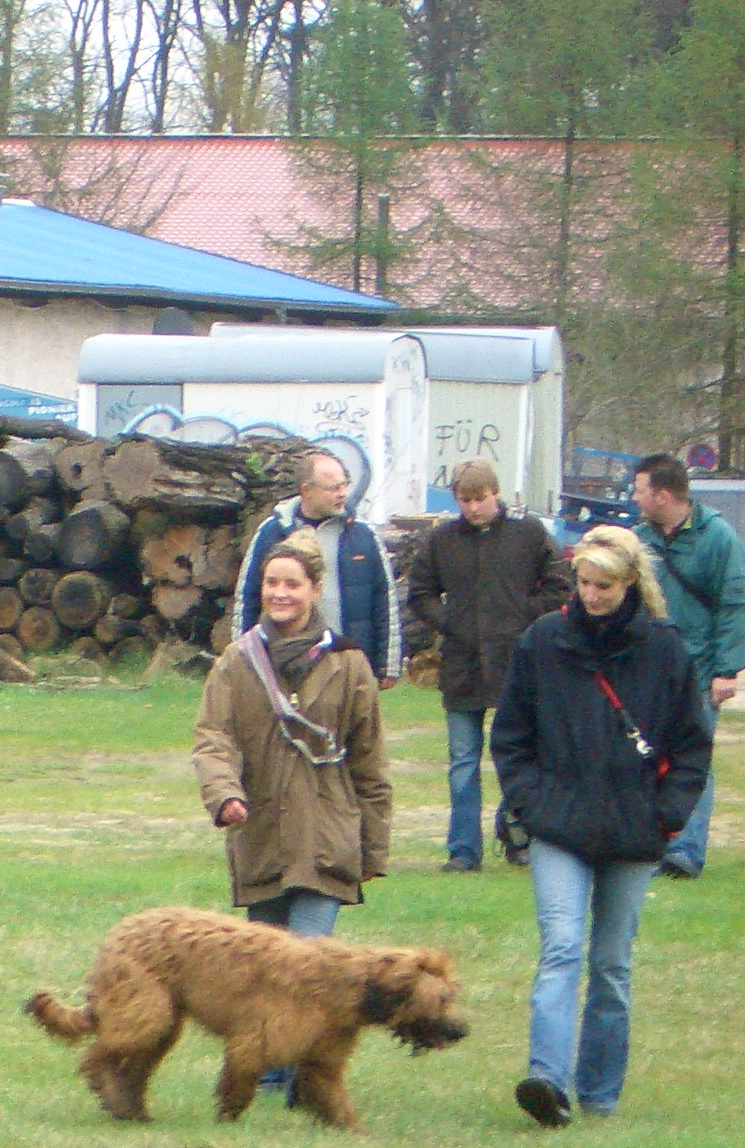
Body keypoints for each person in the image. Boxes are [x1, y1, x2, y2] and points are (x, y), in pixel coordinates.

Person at [492, 526, 712, 1124]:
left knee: (611, 966)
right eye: (584, 583)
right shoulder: (544, 640)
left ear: (631, 582)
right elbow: (511, 734)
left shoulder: (665, 650)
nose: (590, 595)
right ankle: (547, 1078)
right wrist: (531, 804)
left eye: (604, 586)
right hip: (559, 826)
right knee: (562, 948)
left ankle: (600, 1094)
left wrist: (666, 815)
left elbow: (692, 746)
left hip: (633, 830)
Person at [194, 536, 392, 1092]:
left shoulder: (349, 663)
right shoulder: (237, 661)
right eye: (272, 583)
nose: (280, 593)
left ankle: (303, 1082)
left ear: (315, 590)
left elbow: (370, 760)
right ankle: (265, 1075)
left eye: (292, 584)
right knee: (264, 970)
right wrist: (224, 795)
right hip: (259, 832)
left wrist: (373, 849)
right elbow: (212, 738)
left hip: (328, 834)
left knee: (307, 967)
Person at [403, 457, 569, 870]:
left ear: (496, 493)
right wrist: (450, 622)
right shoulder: (441, 540)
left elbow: (560, 585)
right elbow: (420, 593)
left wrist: (523, 617)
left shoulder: (529, 534)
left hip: (518, 664)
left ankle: (517, 836)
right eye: (465, 500)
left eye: (480, 498)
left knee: (518, 757)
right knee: (463, 762)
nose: (473, 507)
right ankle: (463, 850)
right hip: (462, 665)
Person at [629, 453, 744, 878]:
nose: (634, 498)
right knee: (645, 757)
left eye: (639, 490)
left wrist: (727, 671)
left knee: (693, 761)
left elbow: (735, 604)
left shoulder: (719, 539)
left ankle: (686, 852)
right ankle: (650, 842)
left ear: (662, 495)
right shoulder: (638, 539)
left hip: (699, 669)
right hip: (649, 669)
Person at [237, 451, 398, 681]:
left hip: (348, 665)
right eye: (333, 488)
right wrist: (242, 658)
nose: (342, 493)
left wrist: (387, 665)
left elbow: (385, 600)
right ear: (307, 490)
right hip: (284, 663)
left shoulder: (364, 535)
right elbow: (248, 598)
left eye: (344, 485)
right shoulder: (271, 533)